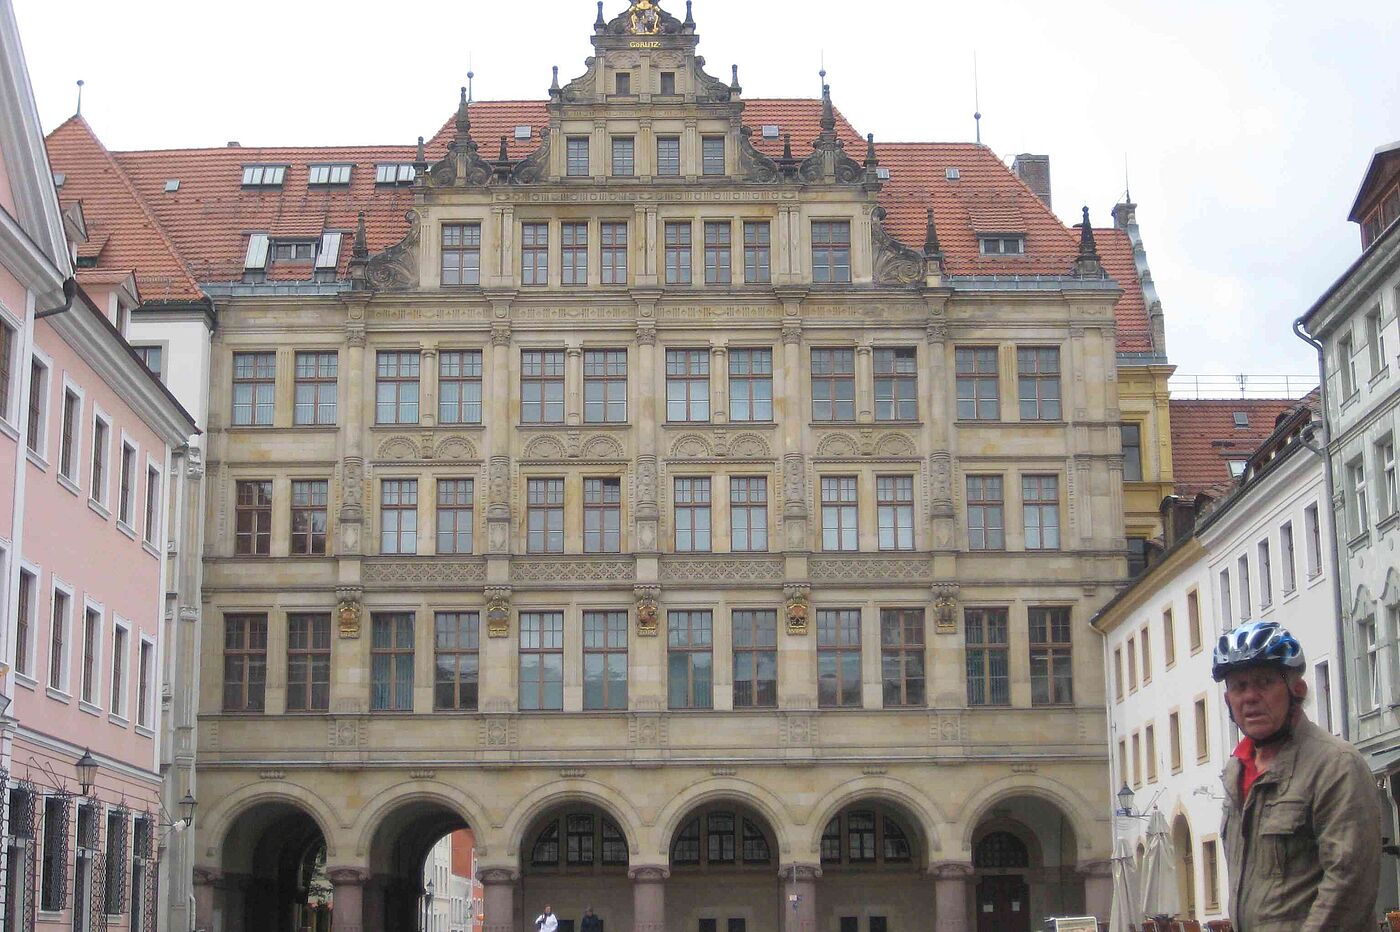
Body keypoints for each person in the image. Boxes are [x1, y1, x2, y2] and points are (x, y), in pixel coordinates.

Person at [1214, 620, 1381, 931]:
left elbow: (1348, 884)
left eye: (1263, 682)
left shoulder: (1335, 764)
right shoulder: (1236, 771)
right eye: (1238, 687)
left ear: (1296, 690)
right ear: (1228, 701)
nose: (1250, 697)